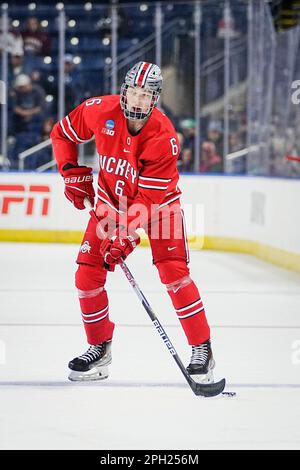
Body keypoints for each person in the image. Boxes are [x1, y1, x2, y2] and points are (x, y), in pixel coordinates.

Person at [50, 61, 215, 383]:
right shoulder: (98, 110)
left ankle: (202, 349)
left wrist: (125, 233)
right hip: (111, 204)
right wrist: (72, 174)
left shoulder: (163, 136)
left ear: (155, 99)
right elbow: (62, 134)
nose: (138, 100)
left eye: (146, 95)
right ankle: (99, 348)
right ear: (124, 91)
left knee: (174, 273)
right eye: (134, 92)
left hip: (160, 209)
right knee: (87, 275)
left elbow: (149, 200)